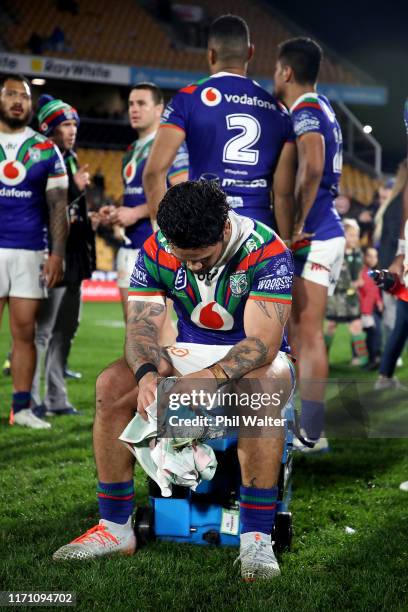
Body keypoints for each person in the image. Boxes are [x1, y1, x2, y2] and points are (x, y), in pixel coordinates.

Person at [53, 180, 296, 582]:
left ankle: (256, 537)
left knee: (262, 388)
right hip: (189, 349)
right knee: (112, 385)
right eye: (186, 259)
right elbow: (142, 331)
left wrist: (206, 379)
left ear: (222, 230)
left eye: (201, 258)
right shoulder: (157, 247)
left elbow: (263, 344)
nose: (194, 267)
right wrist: (147, 375)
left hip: (254, 358)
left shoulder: (266, 250)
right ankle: (115, 528)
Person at [143, 14, 297, 238]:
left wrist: (166, 236)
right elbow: (284, 195)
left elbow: (153, 173)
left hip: (206, 231)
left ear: (211, 54)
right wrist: (286, 242)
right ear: (250, 53)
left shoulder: (188, 98)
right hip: (260, 232)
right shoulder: (279, 110)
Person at [273, 37, 345, 446]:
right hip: (324, 232)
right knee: (301, 332)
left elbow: (314, 163)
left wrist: (298, 222)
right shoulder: (324, 106)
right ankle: (305, 426)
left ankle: (313, 431)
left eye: (275, 68)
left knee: (309, 333)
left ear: (286, 71)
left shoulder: (306, 109)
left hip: (317, 234)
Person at [0, 73, 68, 429]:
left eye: (24, 96)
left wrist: (56, 253)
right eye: (10, 94)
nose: (17, 101)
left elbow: (58, 205)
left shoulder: (46, 148)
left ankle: (22, 409)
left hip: (30, 250)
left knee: (24, 333)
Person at [100, 83, 188, 319]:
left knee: (157, 332)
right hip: (128, 246)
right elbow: (137, 193)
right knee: (133, 331)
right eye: (130, 104)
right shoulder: (131, 150)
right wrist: (117, 211)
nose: (134, 109)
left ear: (159, 108)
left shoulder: (169, 146)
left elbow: (181, 194)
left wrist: (136, 213)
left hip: (156, 246)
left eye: (141, 103)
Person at [31, 94, 95, 416]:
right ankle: (32, 401)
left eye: (74, 124)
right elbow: (45, 207)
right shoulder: (40, 157)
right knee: (42, 332)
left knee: (66, 329)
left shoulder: (68, 158)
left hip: (74, 257)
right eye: (64, 125)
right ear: (47, 128)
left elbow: (68, 211)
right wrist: (74, 187)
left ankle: (56, 399)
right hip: (53, 253)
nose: (71, 130)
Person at [325, 219, 367, 367]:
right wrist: (351, 283)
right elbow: (333, 275)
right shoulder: (337, 253)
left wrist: (359, 280)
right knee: (331, 326)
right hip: (337, 296)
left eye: (356, 235)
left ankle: (363, 360)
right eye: (350, 235)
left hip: (351, 296)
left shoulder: (358, 253)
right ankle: (323, 357)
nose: (354, 238)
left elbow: (360, 272)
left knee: (356, 325)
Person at [358, 246, 382, 369]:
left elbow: (375, 290)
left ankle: (373, 359)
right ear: (365, 257)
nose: (373, 259)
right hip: (366, 311)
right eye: (370, 256)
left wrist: (379, 301)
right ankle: (373, 360)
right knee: (373, 334)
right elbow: (363, 291)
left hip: (372, 309)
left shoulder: (373, 273)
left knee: (374, 334)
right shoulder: (363, 272)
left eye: (375, 256)